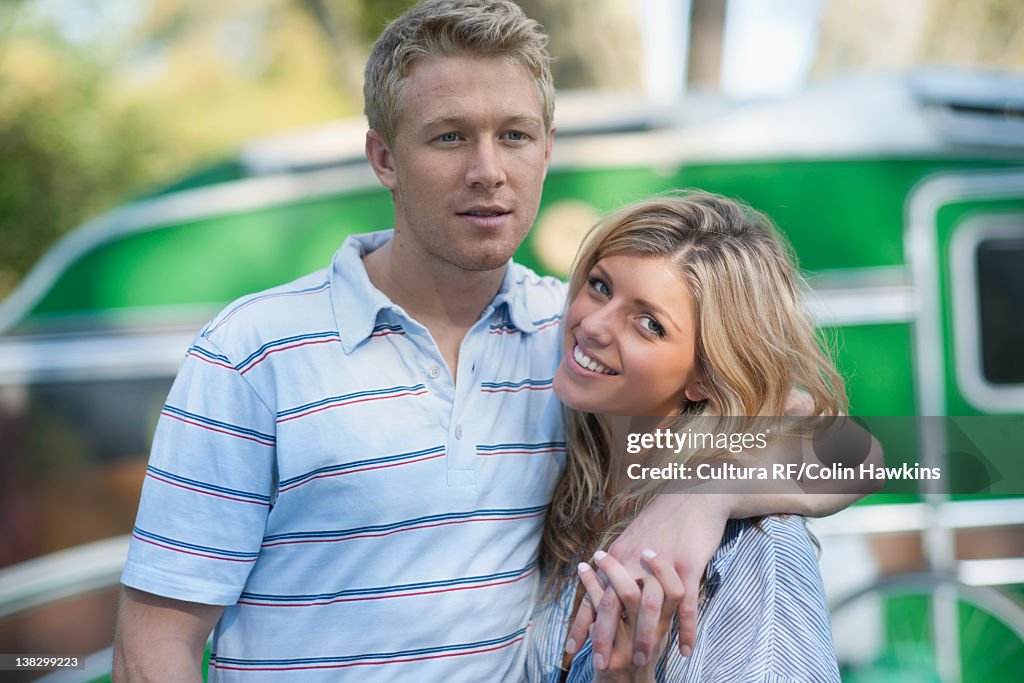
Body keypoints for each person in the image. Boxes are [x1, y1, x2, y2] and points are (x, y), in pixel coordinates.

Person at [112, 2, 872, 681]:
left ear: (546, 150)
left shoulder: (570, 339)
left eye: (515, 135)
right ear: (384, 157)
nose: (488, 171)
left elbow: (849, 447)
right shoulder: (252, 353)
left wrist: (698, 494)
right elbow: (154, 648)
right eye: (448, 137)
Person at [526, 193, 847, 682]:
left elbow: (855, 453)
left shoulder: (756, 550)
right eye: (599, 286)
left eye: (649, 324)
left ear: (706, 373)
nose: (591, 325)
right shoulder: (582, 488)